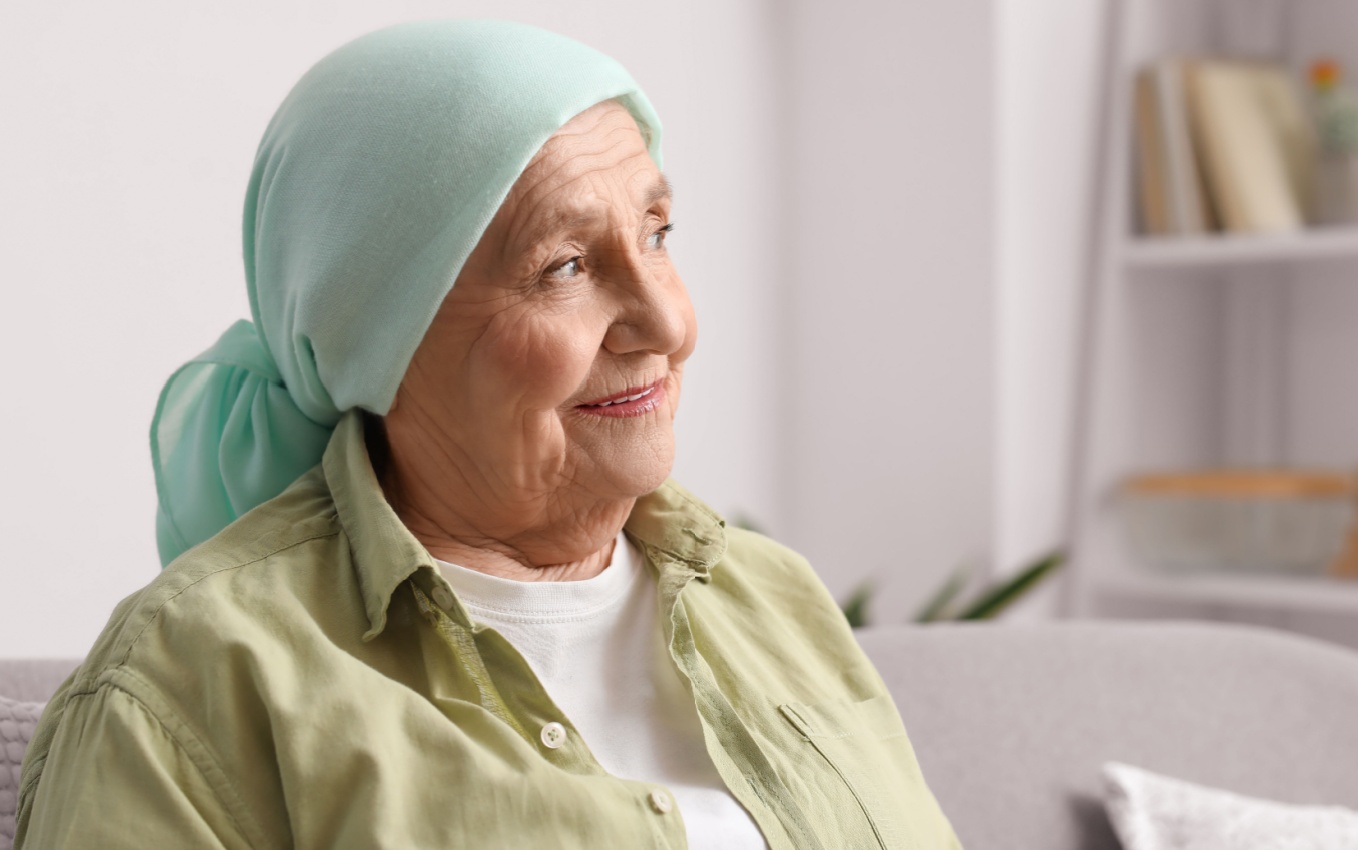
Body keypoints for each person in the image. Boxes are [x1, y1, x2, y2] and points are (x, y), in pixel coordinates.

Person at [16, 20, 961, 850]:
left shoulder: (770, 597)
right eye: (565, 266)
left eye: (657, 234)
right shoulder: (190, 679)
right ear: (377, 340)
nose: (668, 323)